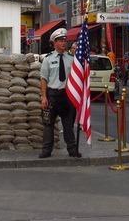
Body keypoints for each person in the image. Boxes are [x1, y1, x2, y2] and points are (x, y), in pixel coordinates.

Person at [39, 28, 79, 159]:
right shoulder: (48, 59)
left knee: (68, 124)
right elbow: (44, 79)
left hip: (67, 96)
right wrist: (44, 97)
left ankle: (72, 150)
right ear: (54, 43)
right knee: (48, 124)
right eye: (60, 40)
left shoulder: (71, 59)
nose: (63, 43)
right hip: (52, 95)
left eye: (65, 40)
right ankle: (46, 150)